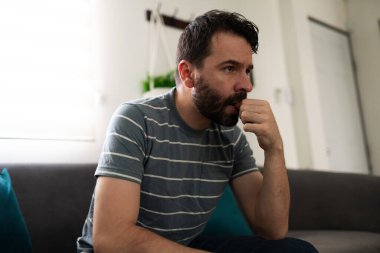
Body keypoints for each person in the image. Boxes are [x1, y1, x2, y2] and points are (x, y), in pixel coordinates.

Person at [77, 9, 318, 253]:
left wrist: (275, 149)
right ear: (187, 74)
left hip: (183, 246)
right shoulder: (136, 120)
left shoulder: (231, 138)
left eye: (247, 70)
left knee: (297, 251)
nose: (247, 84)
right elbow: (112, 239)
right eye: (229, 68)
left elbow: (272, 229)